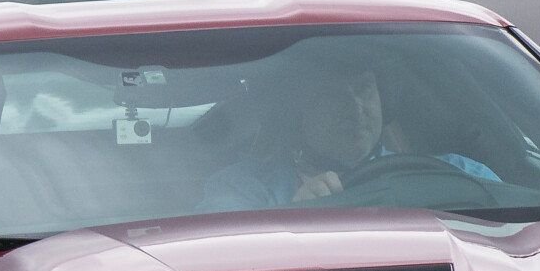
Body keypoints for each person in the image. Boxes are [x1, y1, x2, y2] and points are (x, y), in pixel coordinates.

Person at [199, 65, 497, 211]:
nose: (354, 110)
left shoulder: (456, 175)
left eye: (364, 89)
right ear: (295, 112)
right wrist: (293, 218)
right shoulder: (241, 191)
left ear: (385, 99)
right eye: (332, 96)